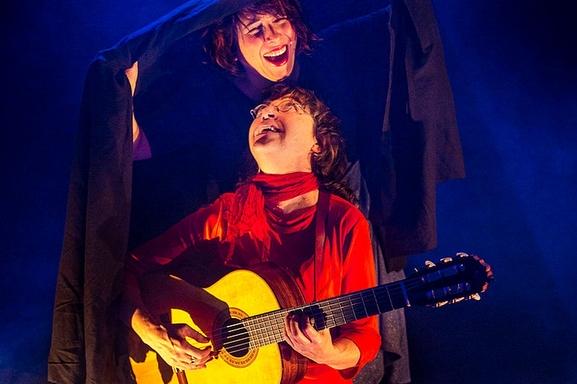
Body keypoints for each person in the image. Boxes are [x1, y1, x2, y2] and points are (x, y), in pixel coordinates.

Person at [49, 1, 463, 383]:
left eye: (280, 22)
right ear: (232, 44)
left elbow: (359, 337)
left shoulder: (341, 215)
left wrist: (332, 350)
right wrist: (120, 95)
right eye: (256, 29)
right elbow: (137, 154)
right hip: (239, 249)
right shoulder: (223, 201)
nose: (272, 36)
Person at [123, 86, 381, 383]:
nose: (266, 112)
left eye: (288, 106)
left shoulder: (344, 221)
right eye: (260, 111)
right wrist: (151, 331)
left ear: (318, 143)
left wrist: (328, 353)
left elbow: (364, 337)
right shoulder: (225, 214)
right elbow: (131, 268)